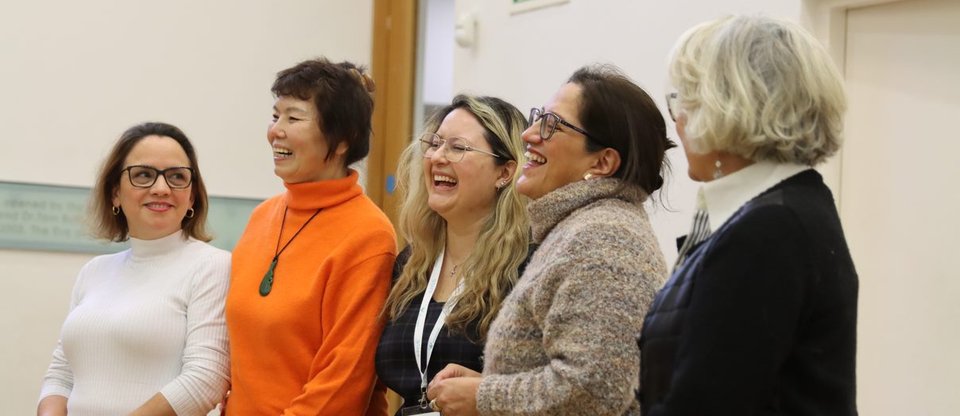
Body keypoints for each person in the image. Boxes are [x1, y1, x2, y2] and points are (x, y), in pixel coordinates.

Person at [638, 15, 858, 415]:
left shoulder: (768, 231)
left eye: (682, 99)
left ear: (725, 104)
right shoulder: (790, 207)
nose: (678, 119)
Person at [425, 65, 673, 416]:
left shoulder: (605, 240)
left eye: (552, 125)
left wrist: (484, 397)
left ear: (602, 162)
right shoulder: (579, 229)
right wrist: (488, 383)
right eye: (538, 117)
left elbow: (593, 390)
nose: (528, 134)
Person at [225, 57, 397, 415]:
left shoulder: (369, 235)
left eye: (294, 117)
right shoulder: (263, 216)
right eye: (276, 116)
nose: (276, 131)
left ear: (341, 141)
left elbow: (343, 381)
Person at [37, 122, 231, 416]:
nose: (162, 188)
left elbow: (205, 380)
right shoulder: (94, 270)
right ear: (115, 193)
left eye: (177, 176)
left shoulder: (212, 265)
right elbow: (61, 375)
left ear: (191, 196)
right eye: (143, 175)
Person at [375, 94, 531, 415]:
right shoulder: (412, 264)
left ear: (504, 172)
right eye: (434, 144)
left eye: (458, 148)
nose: (437, 157)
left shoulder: (529, 267)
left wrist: (489, 395)